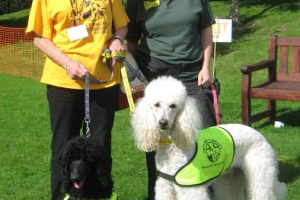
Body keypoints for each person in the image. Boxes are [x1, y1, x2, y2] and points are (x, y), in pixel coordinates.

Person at [26, 0, 129, 199]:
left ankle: (100, 196)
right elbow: (38, 36)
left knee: (100, 149)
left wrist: (116, 39)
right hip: (63, 81)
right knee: (62, 149)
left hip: (103, 81)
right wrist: (67, 63)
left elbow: (122, 25)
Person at [126, 0, 216, 199]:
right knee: (155, 139)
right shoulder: (137, 2)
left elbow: (206, 30)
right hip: (153, 74)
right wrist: (129, 75)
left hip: (192, 73)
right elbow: (131, 39)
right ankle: (159, 193)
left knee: (204, 135)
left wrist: (206, 66)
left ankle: (207, 191)